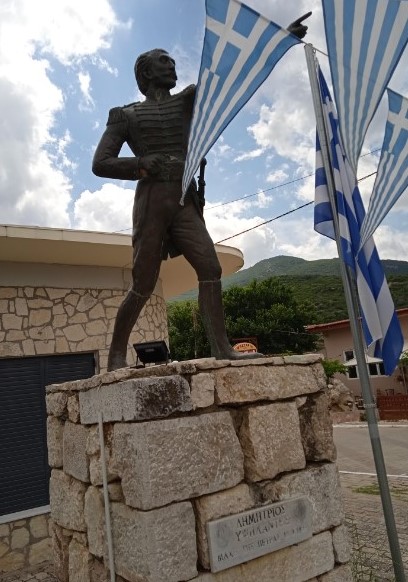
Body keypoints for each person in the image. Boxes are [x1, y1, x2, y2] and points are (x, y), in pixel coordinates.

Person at [92, 14, 310, 371]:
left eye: (173, 61)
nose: (172, 66)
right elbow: (101, 163)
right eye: (164, 61)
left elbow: (228, 76)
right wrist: (142, 163)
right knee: (143, 283)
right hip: (151, 201)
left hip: (183, 199)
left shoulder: (187, 101)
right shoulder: (125, 115)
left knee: (210, 267)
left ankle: (222, 348)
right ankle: (116, 355)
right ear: (146, 73)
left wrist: (278, 39)